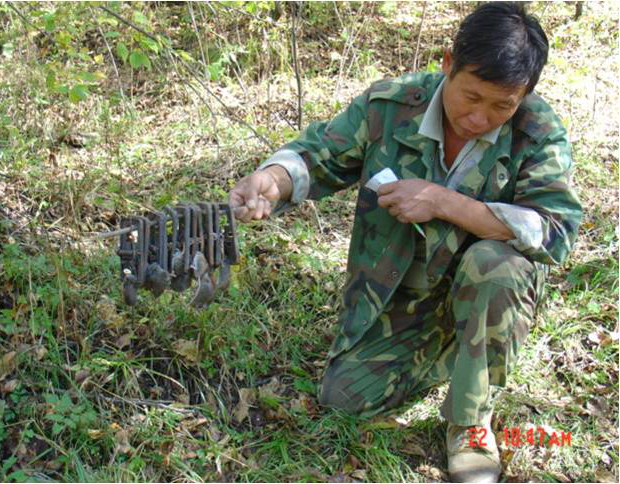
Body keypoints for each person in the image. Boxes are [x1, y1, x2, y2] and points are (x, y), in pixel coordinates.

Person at [229, 2, 582, 482]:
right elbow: (320, 155)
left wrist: (444, 202)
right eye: (471, 96)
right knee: (344, 398)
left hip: (486, 286)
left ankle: (470, 420)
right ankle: (451, 349)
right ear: (447, 65)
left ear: (525, 96)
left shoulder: (536, 132)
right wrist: (273, 178)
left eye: (503, 105)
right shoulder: (392, 105)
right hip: (401, 292)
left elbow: (556, 230)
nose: (480, 118)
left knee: (496, 264)